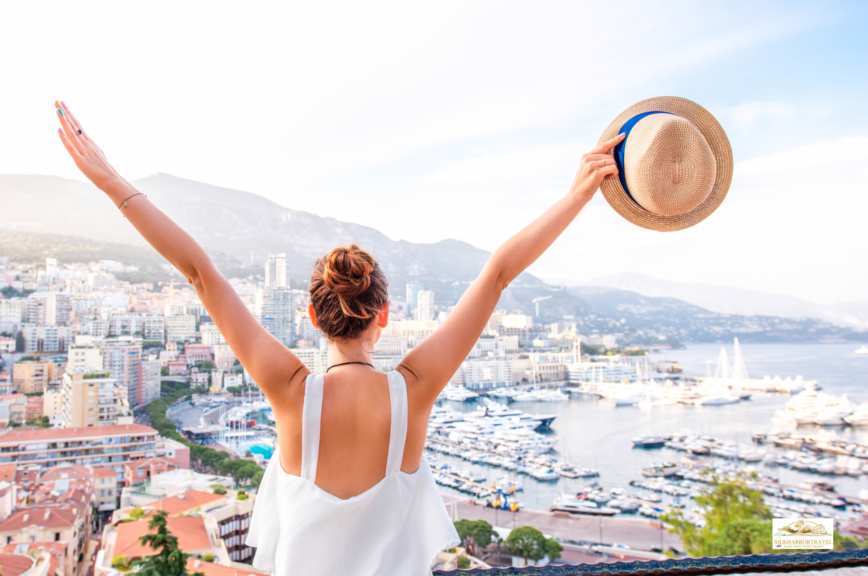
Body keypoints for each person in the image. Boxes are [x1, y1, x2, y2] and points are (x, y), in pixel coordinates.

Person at [54, 101, 623, 575]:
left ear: (310, 316)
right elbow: (497, 273)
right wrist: (577, 195)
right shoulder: (413, 390)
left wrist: (110, 180)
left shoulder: (291, 390)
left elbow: (199, 272)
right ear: (384, 316)